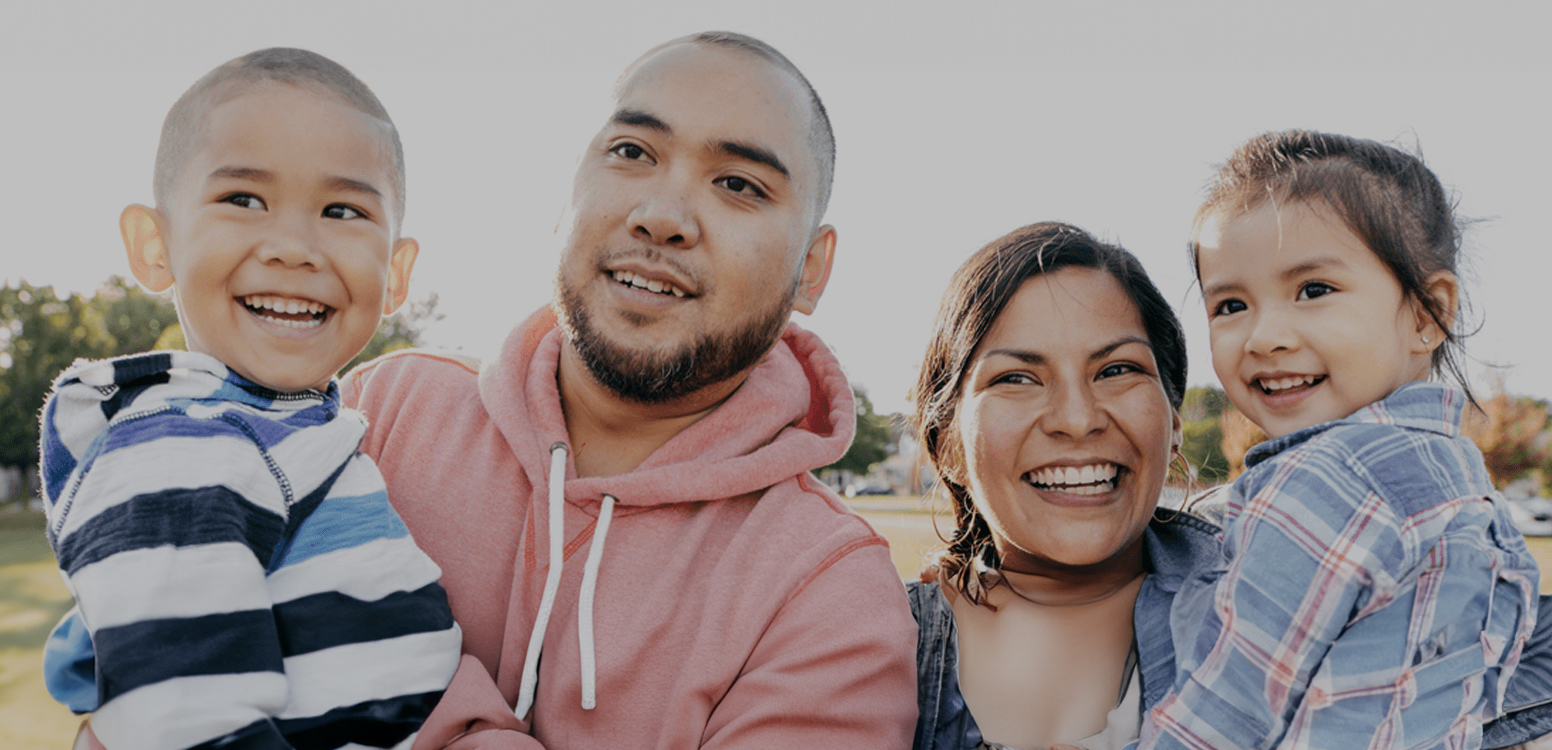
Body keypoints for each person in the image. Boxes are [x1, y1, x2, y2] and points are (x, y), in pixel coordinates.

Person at [341, 31, 917, 748]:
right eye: (632, 153)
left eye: (739, 184)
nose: (662, 217)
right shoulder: (379, 414)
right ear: (568, 190)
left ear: (812, 270)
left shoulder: (829, 589)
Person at [908, 222, 1552, 750]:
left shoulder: (1328, 586)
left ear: (1174, 424)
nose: (1077, 419)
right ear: (944, 442)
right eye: (1015, 378)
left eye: (1117, 369)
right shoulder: (872, 635)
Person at [37, 48, 460, 750]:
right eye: (243, 199)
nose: (293, 246)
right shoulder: (175, 446)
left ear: (395, 272)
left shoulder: (286, 431)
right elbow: (182, 719)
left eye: (341, 210)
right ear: (155, 246)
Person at [1135, 130, 1552, 749]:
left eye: (1313, 290)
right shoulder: (1456, 478)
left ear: (1427, 313)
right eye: (1230, 305)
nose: (1264, 336)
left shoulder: (1330, 479)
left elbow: (1230, 712)